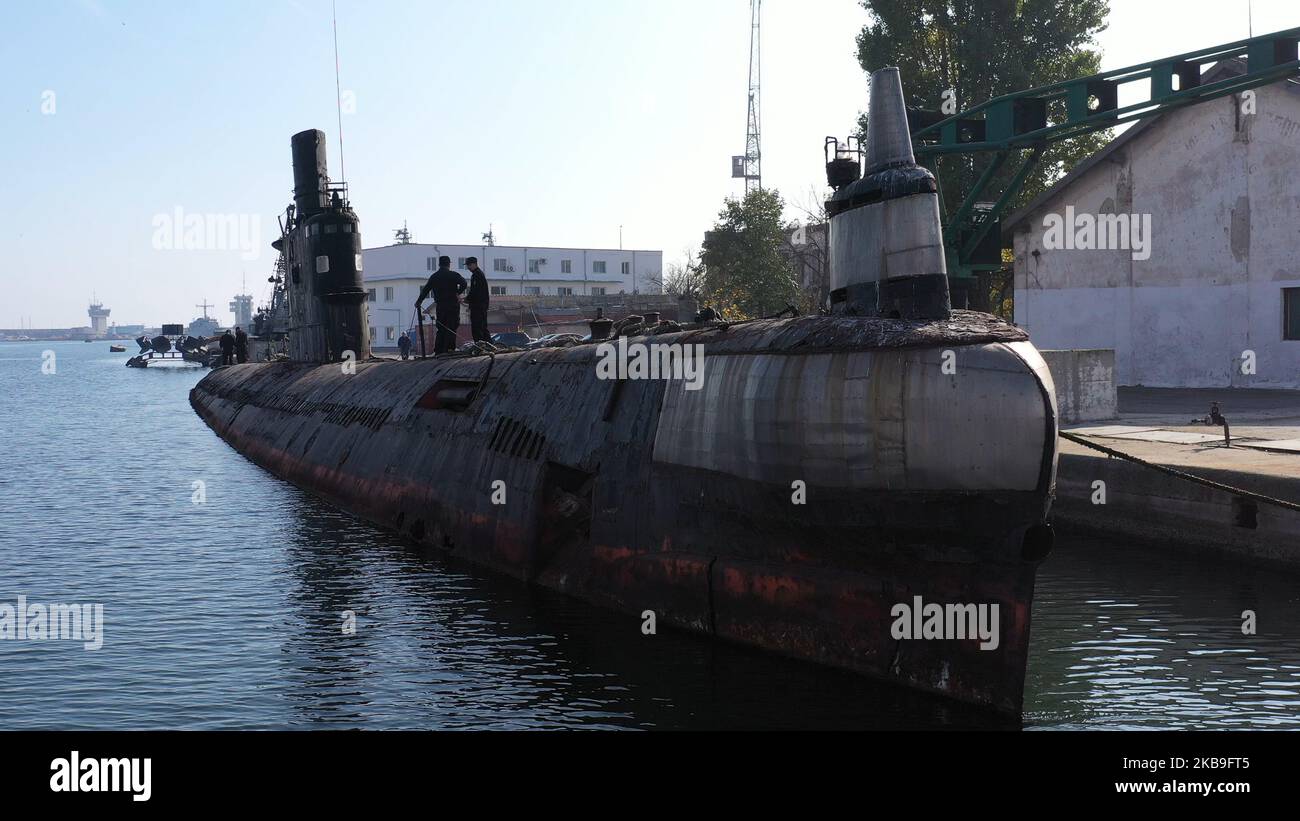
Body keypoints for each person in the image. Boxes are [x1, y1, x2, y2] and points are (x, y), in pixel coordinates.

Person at [416, 256, 467, 354]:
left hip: (441, 306)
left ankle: (439, 350)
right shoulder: (453, 275)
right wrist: (458, 293)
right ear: (449, 264)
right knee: (452, 327)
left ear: (439, 264)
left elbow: (425, 290)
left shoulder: (434, 276)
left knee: (441, 327)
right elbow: (464, 283)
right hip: (452, 305)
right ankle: (450, 349)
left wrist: (419, 301)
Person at [465, 257, 490, 343]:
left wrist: (466, 299)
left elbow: (474, 292)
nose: (468, 267)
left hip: (478, 306)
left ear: (474, 264)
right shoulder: (479, 274)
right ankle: (488, 345)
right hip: (481, 306)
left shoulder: (477, 275)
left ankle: (480, 346)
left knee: (477, 328)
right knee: (483, 328)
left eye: (469, 265)